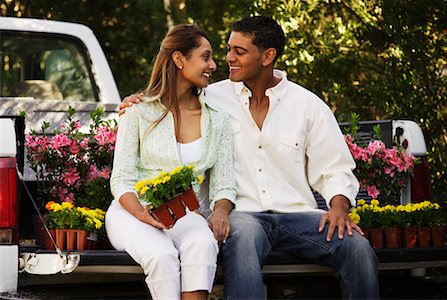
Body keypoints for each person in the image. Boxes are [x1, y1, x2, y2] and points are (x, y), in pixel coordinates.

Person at [121, 16, 379, 299]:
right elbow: (168, 98)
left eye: (239, 52)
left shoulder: (307, 105)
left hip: (299, 216)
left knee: (358, 249)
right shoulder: (211, 98)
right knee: (243, 242)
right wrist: (137, 100)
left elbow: (335, 167)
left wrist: (339, 206)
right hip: (241, 215)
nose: (228, 58)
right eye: (229, 49)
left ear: (267, 56)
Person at [107, 24, 236, 300]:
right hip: (132, 212)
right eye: (205, 57)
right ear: (179, 60)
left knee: (202, 242)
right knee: (162, 254)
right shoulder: (139, 112)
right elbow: (121, 179)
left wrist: (221, 211)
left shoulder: (218, 119)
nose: (213, 65)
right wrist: (142, 214)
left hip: (183, 214)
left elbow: (224, 185)